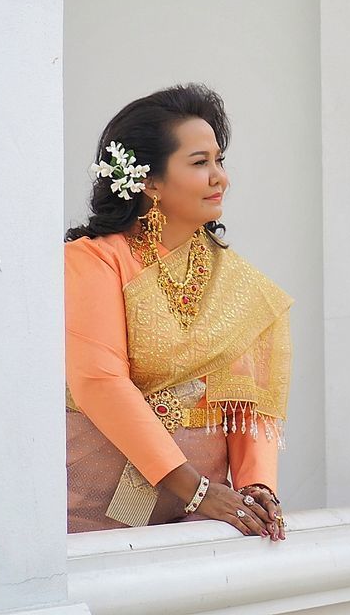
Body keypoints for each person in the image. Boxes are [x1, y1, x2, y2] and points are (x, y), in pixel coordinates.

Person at [65, 83, 291, 539]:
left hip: (206, 518)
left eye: (219, 161)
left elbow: (249, 401)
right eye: (199, 162)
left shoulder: (236, 282)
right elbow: (99, 380)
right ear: (149, 181)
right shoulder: (93, 259)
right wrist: (195, 488)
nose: (220, 177)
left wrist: (255, 486)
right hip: (96, 503)